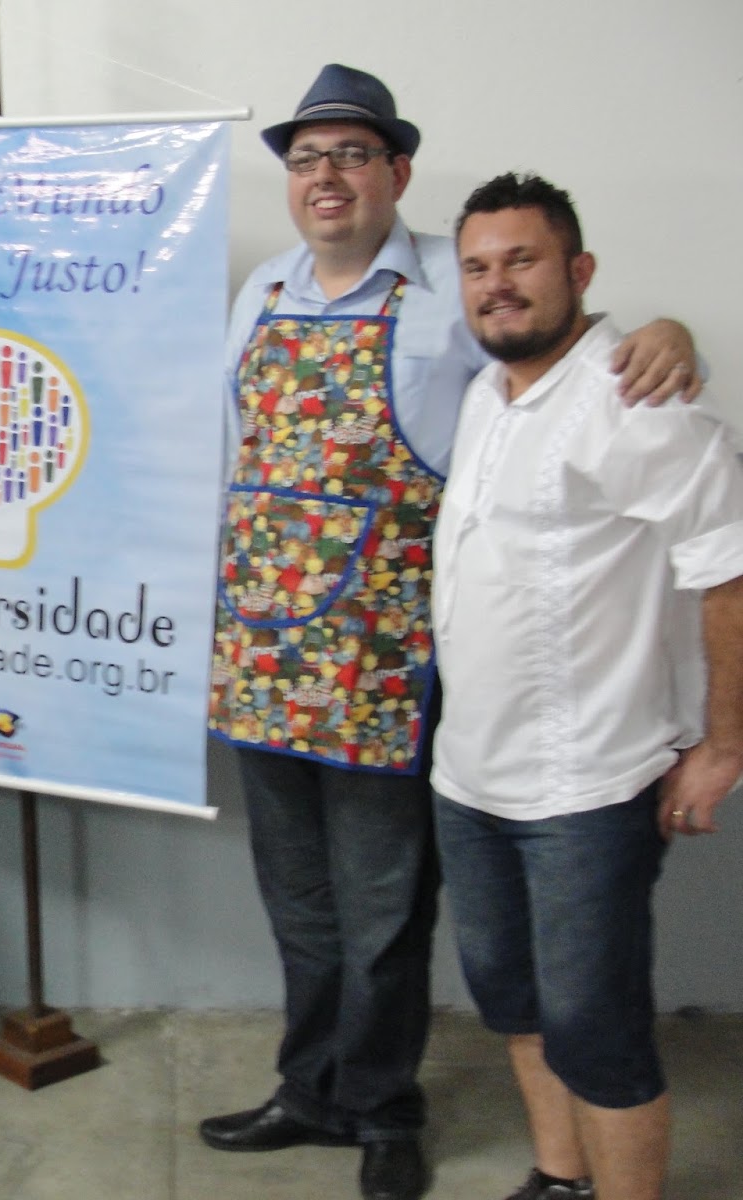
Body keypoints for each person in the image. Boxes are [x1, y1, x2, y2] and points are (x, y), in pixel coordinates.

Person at [198, 65, 703, 1200]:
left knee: (382, 912)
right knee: (301, 906)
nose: (327, 177)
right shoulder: (262, 289)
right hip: (262, 654)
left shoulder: (457, 285)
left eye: (352, 154)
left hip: (385, 660)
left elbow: (575, 366)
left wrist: (674, 335)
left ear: (397, 171)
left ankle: (383, 1108)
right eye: (307, 159)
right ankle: (310, 1089)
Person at [433, 172, 743, 1200]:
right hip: (470, 776)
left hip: (586, 788)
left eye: (520, 260)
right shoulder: (486, 394)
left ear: (579, 270)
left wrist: (724, 744)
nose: (496, 284)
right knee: (515, 1002)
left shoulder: (636, 401)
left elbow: (729, 568)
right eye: (477, 267)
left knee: (595, 1029)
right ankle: (559, 1177)